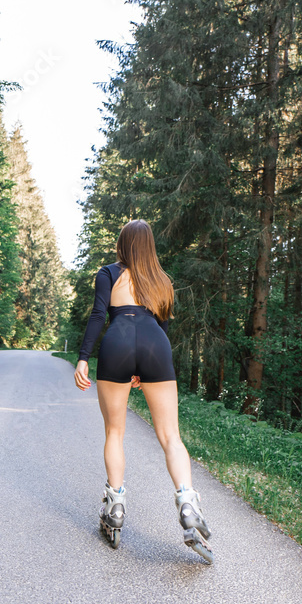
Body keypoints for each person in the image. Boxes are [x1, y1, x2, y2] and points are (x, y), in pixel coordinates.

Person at [73, 220, 213, 563]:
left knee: (115, 431)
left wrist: (82, 358)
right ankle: (187, 503)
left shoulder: (107, 273)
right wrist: (144, 366)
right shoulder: (162, 279)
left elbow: (97, 315)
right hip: (155, 344)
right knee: (171, 436)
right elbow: (162, 323)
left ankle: (116, 506)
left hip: (117, 342)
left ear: (122, 243)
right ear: (149, 245)